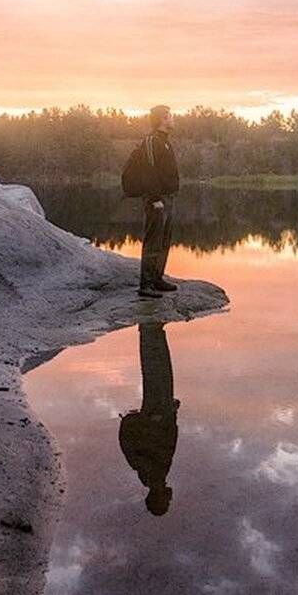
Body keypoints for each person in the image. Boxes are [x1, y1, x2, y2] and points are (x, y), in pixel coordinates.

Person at [118, 323, 179, 516]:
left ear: (158, 497)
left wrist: (149, 420)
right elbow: (167, 441)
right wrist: (171, 414)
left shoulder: (151, 475)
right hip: (162, 412)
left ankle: (150, 330)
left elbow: (129, 442)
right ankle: (152, 330)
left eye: (166, 502)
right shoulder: (154, 476)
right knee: (160, 369)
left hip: (157, 412)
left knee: (156, 370)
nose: (170, 499)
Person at [135, 104, 181, 299]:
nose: (173, 119)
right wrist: (154, 198)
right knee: (153, 240)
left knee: (164, 240)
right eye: (170, 116)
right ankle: (146, 285)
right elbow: (148, 171)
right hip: (157, 200)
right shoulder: (152, 141)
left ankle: (157, 279)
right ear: (162, 119)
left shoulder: (165, 142)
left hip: (167, 198)